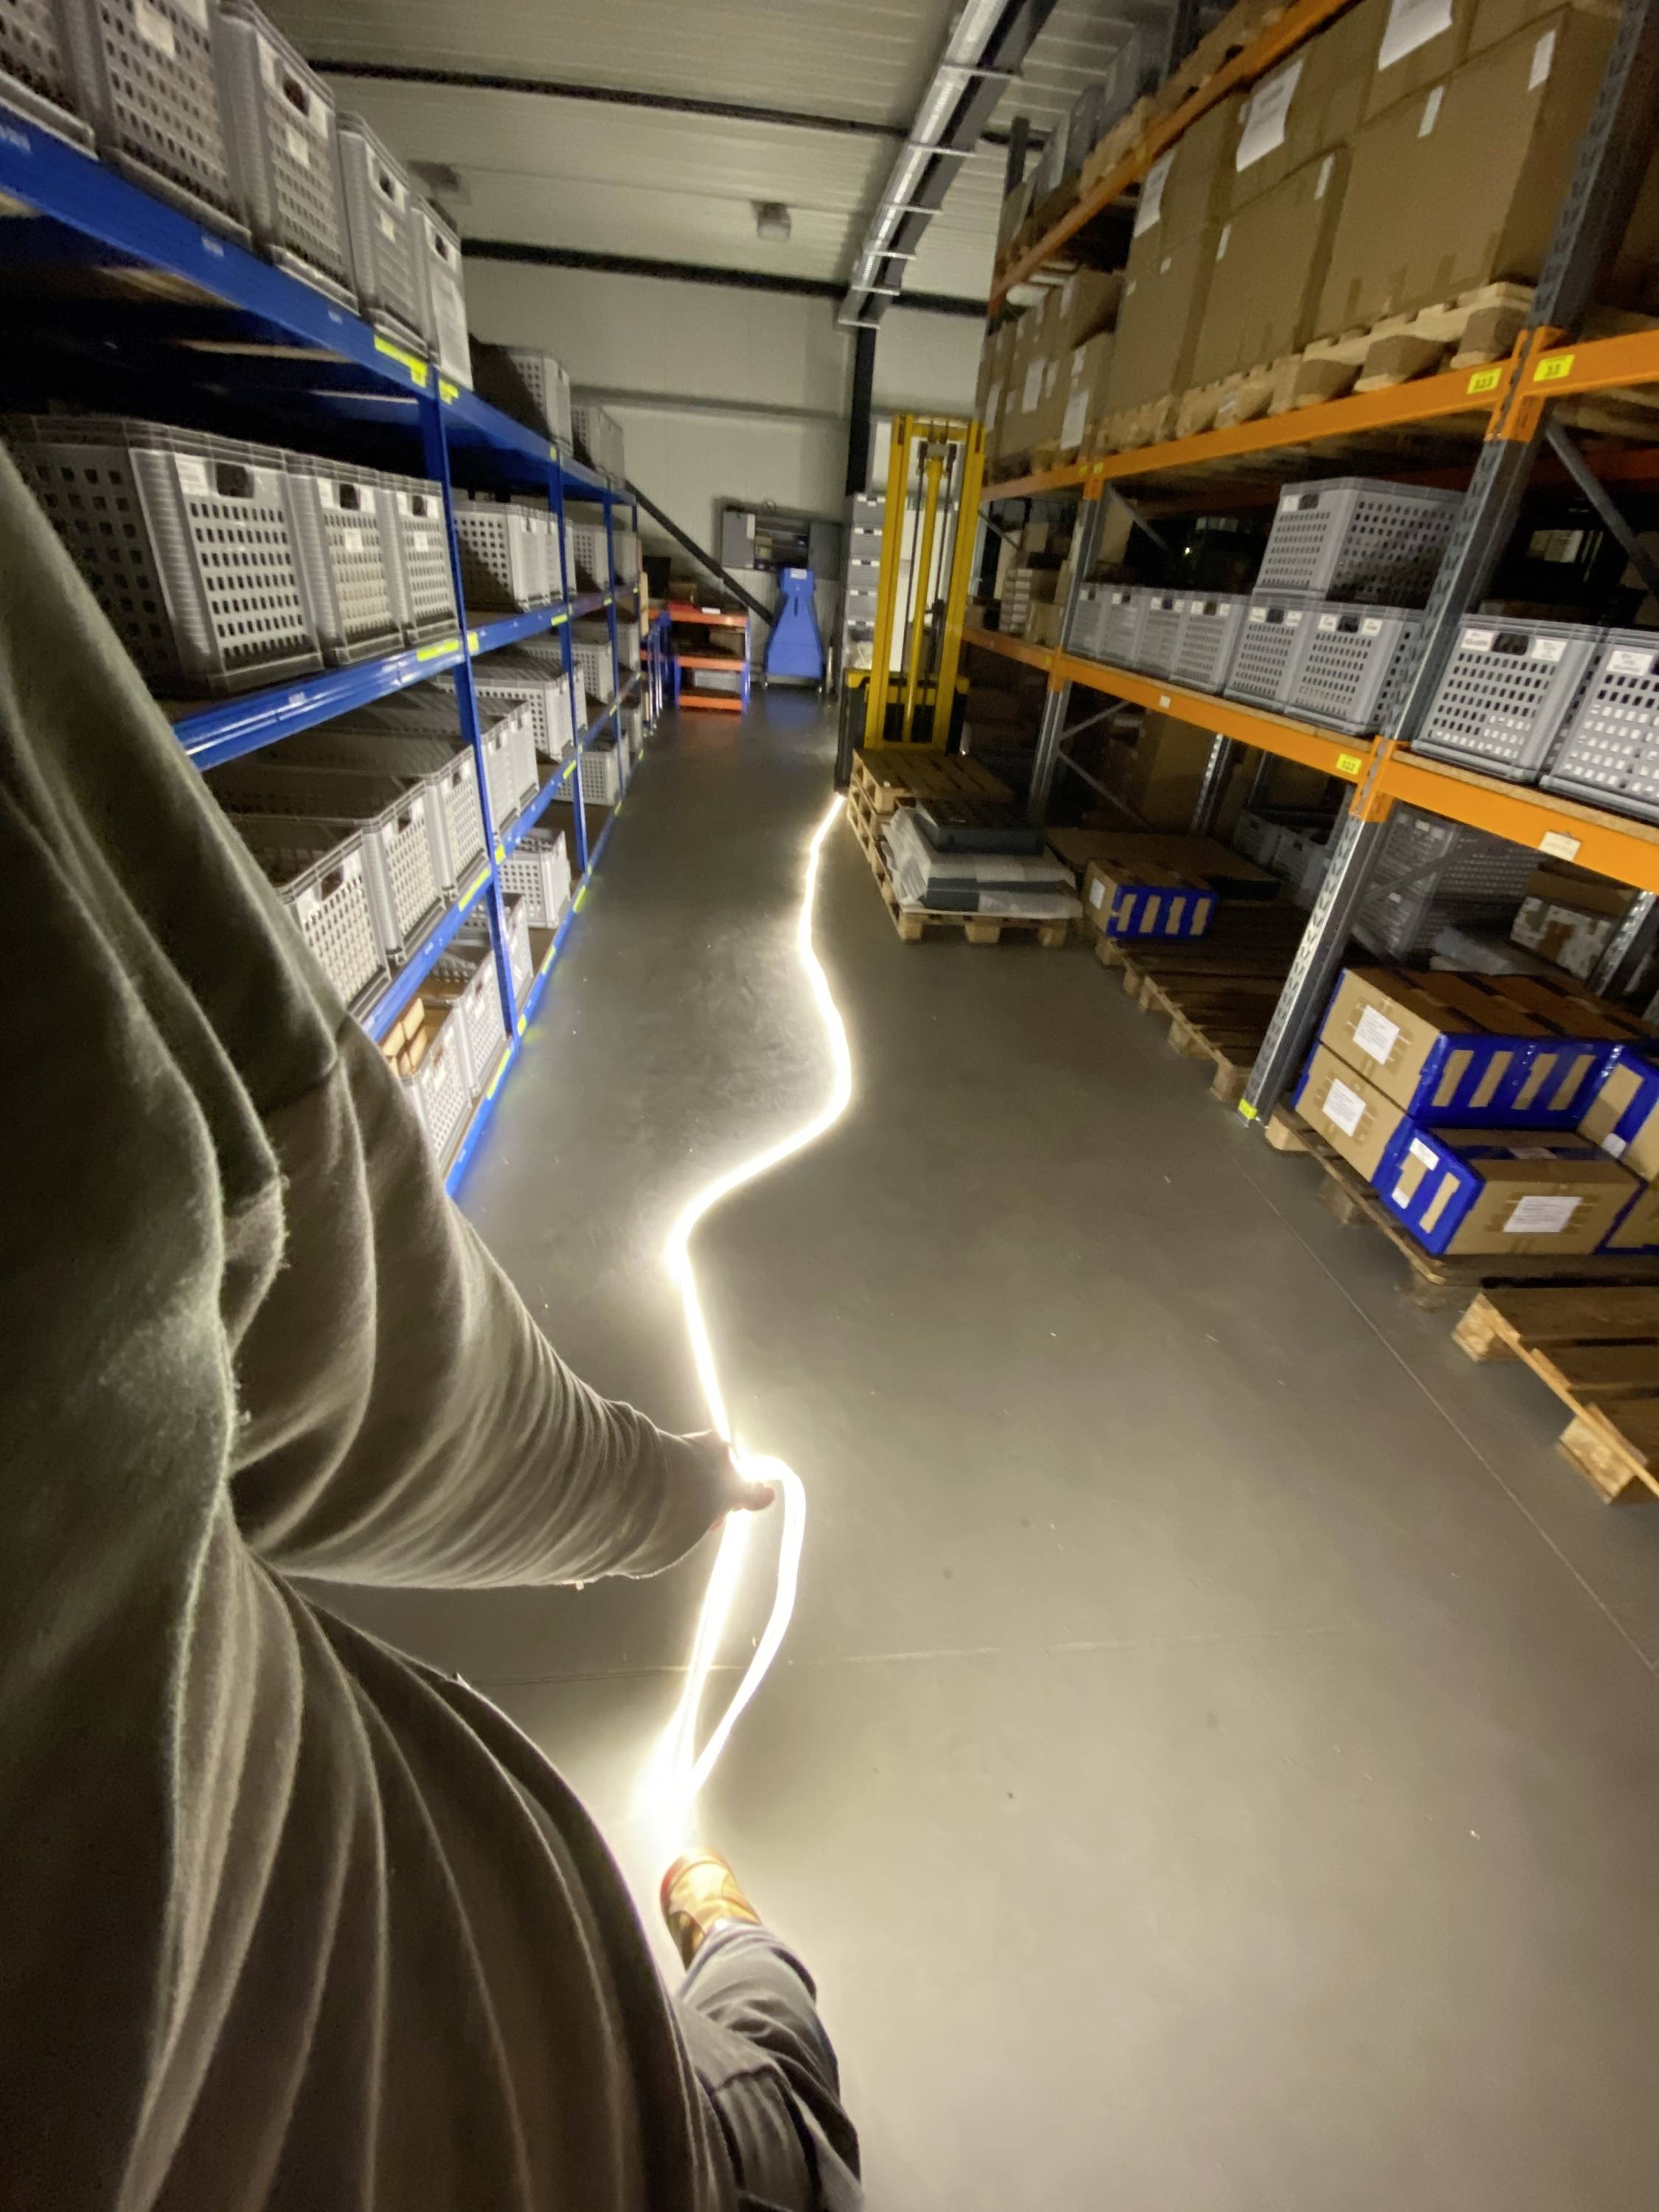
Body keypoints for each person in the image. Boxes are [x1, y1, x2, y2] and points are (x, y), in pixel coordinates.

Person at [0, 442, 861, 2212]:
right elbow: (360, 1350)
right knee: (774, 2117)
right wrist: (671, 1493)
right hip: (529, 2114)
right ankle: (732, 1946)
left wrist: (663, 1493)